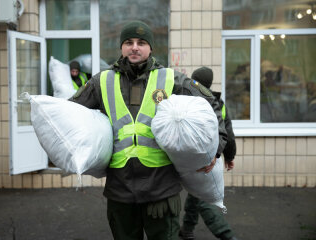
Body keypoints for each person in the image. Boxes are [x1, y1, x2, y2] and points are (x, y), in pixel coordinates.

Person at [69, 21, 227, 240]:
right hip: (120, 191)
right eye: (129, 42)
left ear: (150, 48)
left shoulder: (171, 79)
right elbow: (70, 113)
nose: (135, 47)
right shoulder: (101, 81)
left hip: (161, 191)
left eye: (141, 43)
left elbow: (210, 102)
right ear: (121, 47)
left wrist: (216, 148)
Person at [179, 66, 238, 240]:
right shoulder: (217, 103)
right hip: (206, 158)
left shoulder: (183, 99)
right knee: (204, 197)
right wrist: (230, 155)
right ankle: (226, 235)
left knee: (194, 195)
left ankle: (187, 230)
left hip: (181, 157)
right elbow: (227, 132)